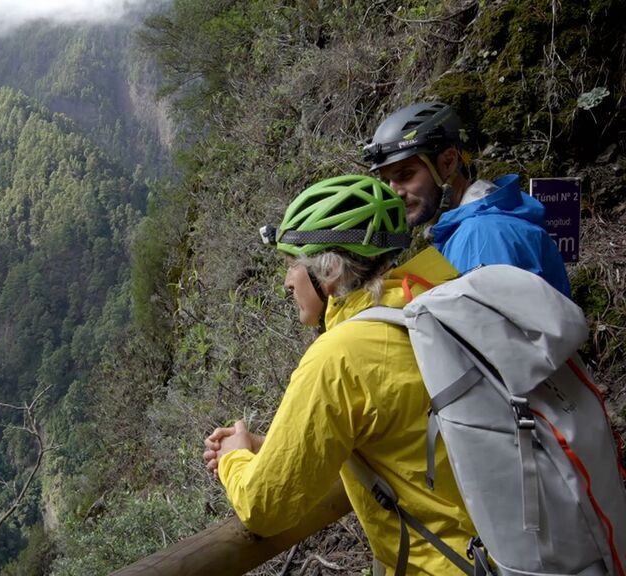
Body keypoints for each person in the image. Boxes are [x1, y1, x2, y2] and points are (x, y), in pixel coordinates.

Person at [205, 174, 476, 575]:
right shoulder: (443, 295)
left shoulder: (340, 357)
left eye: (293, 264)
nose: (287, 282)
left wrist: (236, 458)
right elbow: (405, 435)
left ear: (329, 270)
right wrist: (273, 447)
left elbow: (263, 507)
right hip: (517, 546)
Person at [362, 101, 571, 297]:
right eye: (387, 181)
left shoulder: (482, 235)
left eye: (406, 175)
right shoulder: (467, 228)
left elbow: (490, 333)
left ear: (448, 162)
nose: (395, 192)